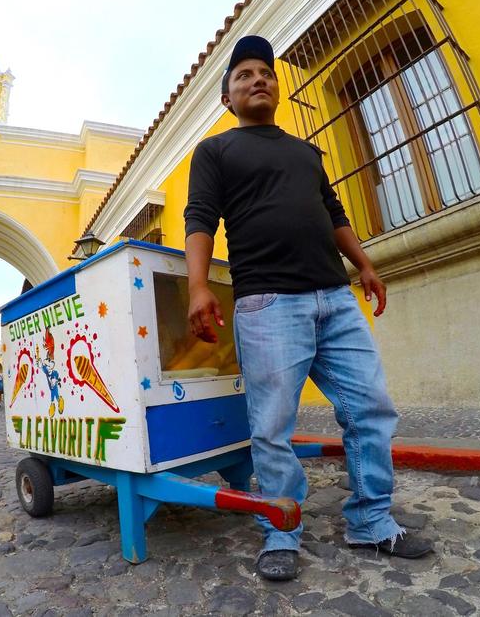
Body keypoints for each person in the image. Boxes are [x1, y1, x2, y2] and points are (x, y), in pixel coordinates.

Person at [183, 35, 433, 581]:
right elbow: (200, 217)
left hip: (336, 298)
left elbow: (334, 211)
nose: (258, 79)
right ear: (227, 97)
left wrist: (364, 264)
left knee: (370, 407)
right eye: (244, 74)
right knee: (272, 426)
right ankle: (280, 528)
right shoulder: (216, 151)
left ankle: (371, 520)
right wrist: (197, 286)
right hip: (267, 304)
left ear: (277, 88)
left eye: (266, 73)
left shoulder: (306, 152)